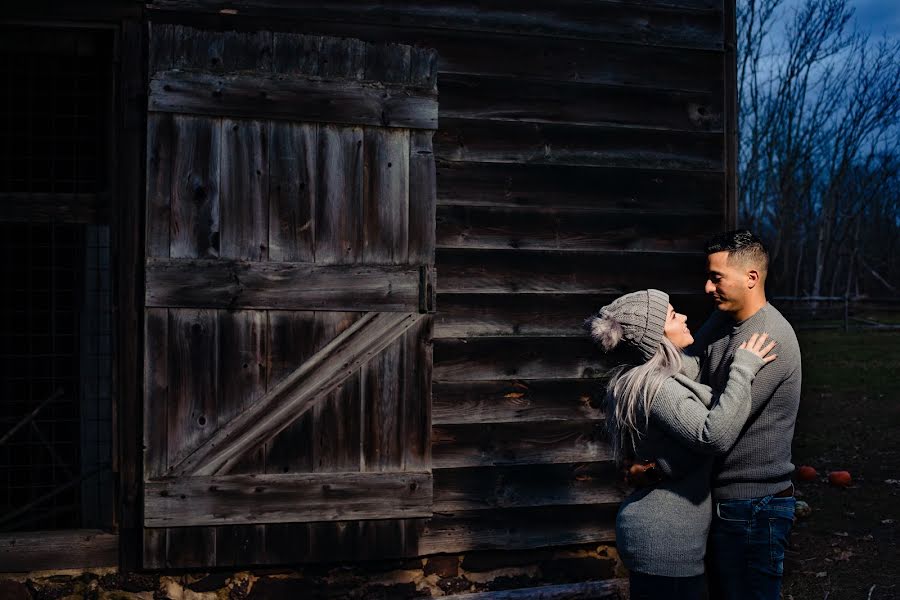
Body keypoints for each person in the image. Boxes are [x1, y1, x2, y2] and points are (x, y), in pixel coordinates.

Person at [586, 289, 777, 600]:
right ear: (657, 339)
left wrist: (729, 300)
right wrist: (743, 368)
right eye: (674, 316)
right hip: (665, 539)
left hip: (667, 534)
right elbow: (714, 435)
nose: (685, 317)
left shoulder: (669, 376)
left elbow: (696, 356)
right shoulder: (659, 389)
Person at [688, 229, 802, 600]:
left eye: (716, 277)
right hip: (727, 500)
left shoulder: (768, 338)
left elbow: (720, 423)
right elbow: (687, 371)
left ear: (751, 278)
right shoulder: (722, 322)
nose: (708, 287)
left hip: (756, 507)